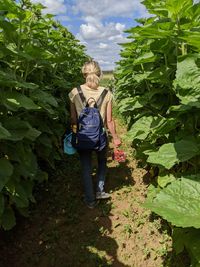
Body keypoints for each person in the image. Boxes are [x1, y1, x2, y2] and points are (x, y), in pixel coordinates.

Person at [68, 60, 121, 208]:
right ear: (99, 73)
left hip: (83, 136)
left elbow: (73, 119)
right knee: (102, 162)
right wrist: (115, 137)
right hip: (100, 136)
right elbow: (109, 120)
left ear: (84, 74)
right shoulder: (106, 93)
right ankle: (99, 190)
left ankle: (90, 200)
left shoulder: (74, 92)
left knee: (86, 166)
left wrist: (74, 133)